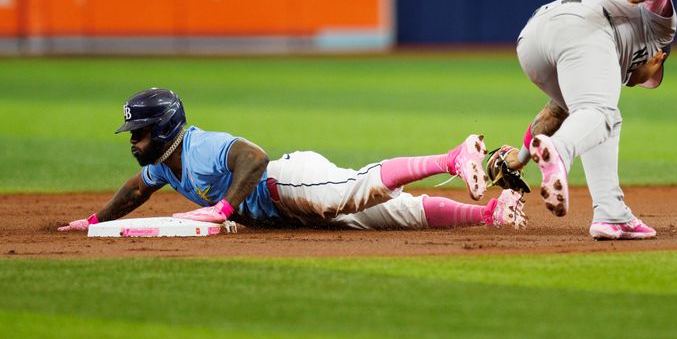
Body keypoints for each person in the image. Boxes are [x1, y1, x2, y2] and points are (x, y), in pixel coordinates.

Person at [59, 88, 527, 233]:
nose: (132, 141)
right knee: (389, 215)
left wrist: (223, 209)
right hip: (285, 209)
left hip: (285, 183)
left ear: (160, 128)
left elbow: (256, 158)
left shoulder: (198, 146)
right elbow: (137, 189)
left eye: (137, 132)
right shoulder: (164, 164)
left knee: (353, 189)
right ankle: (490, 213)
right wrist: (94, 220)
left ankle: (453, 157)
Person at [502, 0, 676, 240]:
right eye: (647, 78)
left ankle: (611, 214)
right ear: (658, 59)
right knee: (602, 113)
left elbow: (555, 112)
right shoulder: (661, 33)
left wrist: (521, 158)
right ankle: (561, 151)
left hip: (531, 42)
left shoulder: (612, 59)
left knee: (599, 116)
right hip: (583, 25)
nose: (634, 82)